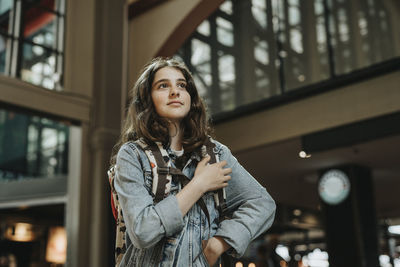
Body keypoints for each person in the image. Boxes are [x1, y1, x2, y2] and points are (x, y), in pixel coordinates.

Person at [110, 57, 276, 266]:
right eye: (163, 85)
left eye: (181, 85)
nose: (175, 91)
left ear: (191, 97)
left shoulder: (216, 153)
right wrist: (199, 184)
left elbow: (263, 204)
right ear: (147, 99)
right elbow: (143, 232)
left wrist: (219, 244)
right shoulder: (133, 154)